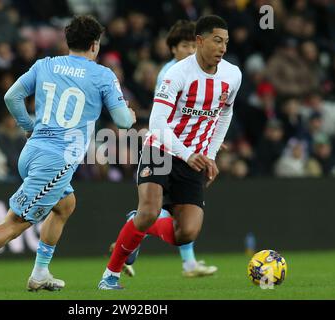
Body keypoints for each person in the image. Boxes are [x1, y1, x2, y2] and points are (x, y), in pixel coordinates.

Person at [0, 15, 135, 295]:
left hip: (31, 152)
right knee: (15, 224)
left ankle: (40, 273)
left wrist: (29, 127)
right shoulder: (102, 75)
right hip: (56, 161)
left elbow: (11, 97)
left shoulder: (46, 65)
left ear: (68, 42)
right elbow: (124, 121)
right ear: (94, 45)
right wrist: (131, 113)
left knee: (66, 205)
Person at [99, 15, 242, 290]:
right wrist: (188, 153)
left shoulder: (232, 75)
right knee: (150, 211)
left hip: (195, 157)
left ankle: (137, 222)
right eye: (217, 40)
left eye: (225, 41)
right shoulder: (176, 74)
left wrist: (210, 154)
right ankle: (110, 276)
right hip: (160, 149)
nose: (223, 47)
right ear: (200, 41)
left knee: (186, 233)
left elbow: (226, 113)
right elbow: (156, 123)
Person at [113, 20, 217, 279]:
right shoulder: (170, 73)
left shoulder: (199, 71)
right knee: (162, 208)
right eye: (185, 45)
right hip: (166, 147)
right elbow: (169, 117)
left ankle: (185, 260)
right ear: (173, 49)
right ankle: (181, 257)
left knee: (178, 209)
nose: (191, 49)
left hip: (187, 148)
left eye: (194, 44)